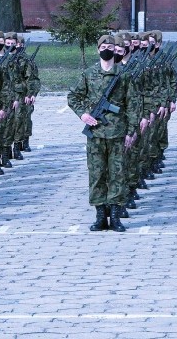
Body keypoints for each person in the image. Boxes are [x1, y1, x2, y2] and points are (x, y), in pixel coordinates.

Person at [67, 35, 141, 232]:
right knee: (97, 175)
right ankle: (100, 215)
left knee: (118, 174)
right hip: (96, 134)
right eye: (104, 46)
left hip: (117, 133)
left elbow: (134, 104)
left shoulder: (123, 75)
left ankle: (115, 216)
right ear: (98, 49)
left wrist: (132, 131)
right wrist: (83, 114)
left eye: (110, 46)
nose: (107, 49)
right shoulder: (89, 74)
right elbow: (73, 96)